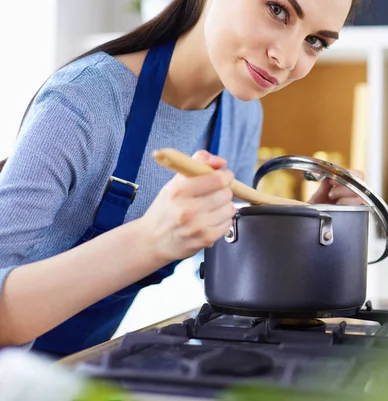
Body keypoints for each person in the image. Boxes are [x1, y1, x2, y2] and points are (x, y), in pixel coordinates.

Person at [0, 0, 365, 357]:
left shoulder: (240, 114)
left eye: (314, 41)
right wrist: (147, 242)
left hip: (78, 366)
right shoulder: (83, 100)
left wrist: (305, 232)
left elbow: (227, 266)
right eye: (277, 9)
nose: (286, 59)